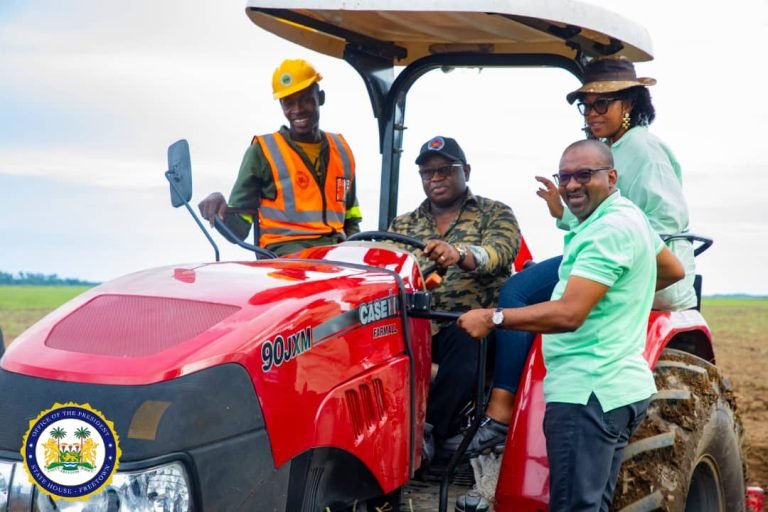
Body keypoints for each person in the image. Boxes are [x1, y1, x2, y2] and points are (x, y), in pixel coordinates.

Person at [464, 56, 698, 455]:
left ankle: (500, 411)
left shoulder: (641, 148)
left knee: (517, 292)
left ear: (630, 103)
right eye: (586, 105)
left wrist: (622, 272)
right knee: (532, 277)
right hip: (620, 257)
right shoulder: (614, 149)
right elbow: (600, 222)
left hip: (637, 265)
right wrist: (563, 212)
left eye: (602, 104)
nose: (592, 113)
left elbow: (660, 223)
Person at [459, 139, 685, 511]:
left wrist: (493, 317)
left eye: (584, 175)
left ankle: (499, 410)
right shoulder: (627, 216)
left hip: (587, 394)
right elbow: (672, 269)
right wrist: (623, 290)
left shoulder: (607, 232)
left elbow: (569, 314)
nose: (572, 184)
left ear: (611, 177)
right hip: (616, 390)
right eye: (564, 177)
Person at [388, 135, 520, 451]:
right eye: (427, 173)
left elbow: (500, 252)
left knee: (466, 337)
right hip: (416, 327)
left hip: (471, 328)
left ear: (467, 171)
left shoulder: (495, 214)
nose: (435, 178)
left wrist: (459, 253)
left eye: (445, 170)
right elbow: (385, 266)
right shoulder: (402, 225)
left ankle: (428, 432)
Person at [198, 58, 362, 256]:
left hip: (336, 256)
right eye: (288, 103)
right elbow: (238, 230)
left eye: (305, 99)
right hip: (285, 261)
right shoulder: (263, 153)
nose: (297, 109)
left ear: (321, 97)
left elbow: (351, 217)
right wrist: (219, 208)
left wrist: (355, 249)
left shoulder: (341, 151)